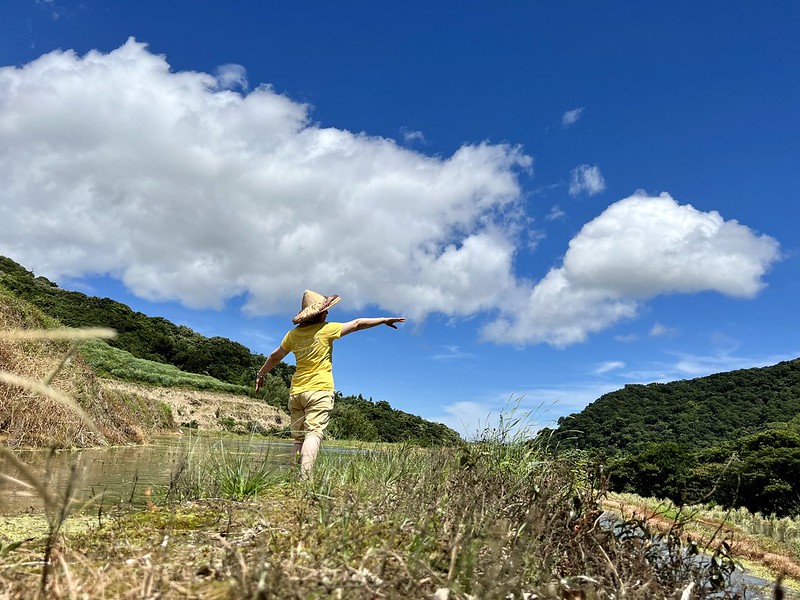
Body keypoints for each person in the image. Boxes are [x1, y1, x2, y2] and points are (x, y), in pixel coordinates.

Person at [255, 289, 405, 477]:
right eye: (325, 310)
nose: (327, 313)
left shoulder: (291, 336)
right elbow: (357, 324)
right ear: (318, 314)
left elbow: (275, 356)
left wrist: (261, 374)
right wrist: (383, 320)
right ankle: (305, 479)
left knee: (298, 439)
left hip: (296, 393)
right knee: (314, 433)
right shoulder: (326, 329)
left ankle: (290, 478)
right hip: (319, 390)